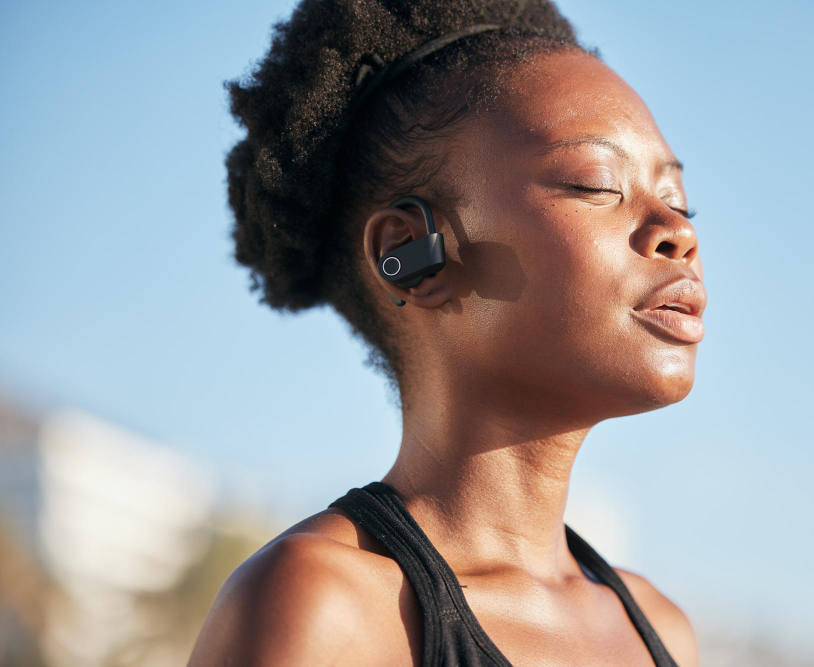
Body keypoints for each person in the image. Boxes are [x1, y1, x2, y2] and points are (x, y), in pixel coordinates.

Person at [189, 0, 704, 664]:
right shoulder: (325, 608)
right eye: (596, 183)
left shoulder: (662, 631)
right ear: (412, 254)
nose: (679, 232)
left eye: (681, 199)